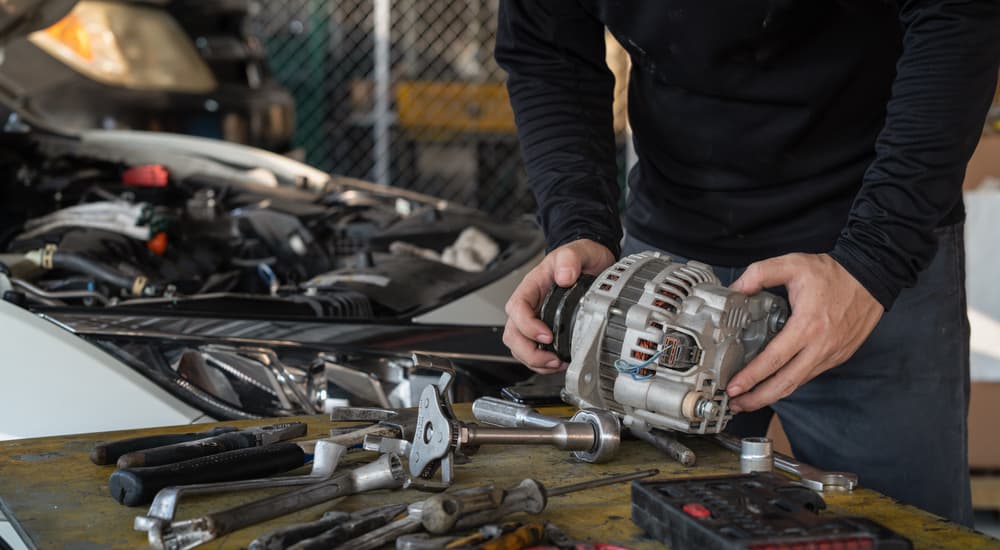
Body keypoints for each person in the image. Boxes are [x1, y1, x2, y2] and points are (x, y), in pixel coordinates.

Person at [495, 0, 1000, 526]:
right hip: (661, 268)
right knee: (642, 527)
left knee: (904, 532)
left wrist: (875, 259)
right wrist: (578, 229)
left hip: (865, 262)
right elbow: (546, 45)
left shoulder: (872, 262)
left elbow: (957, 16)